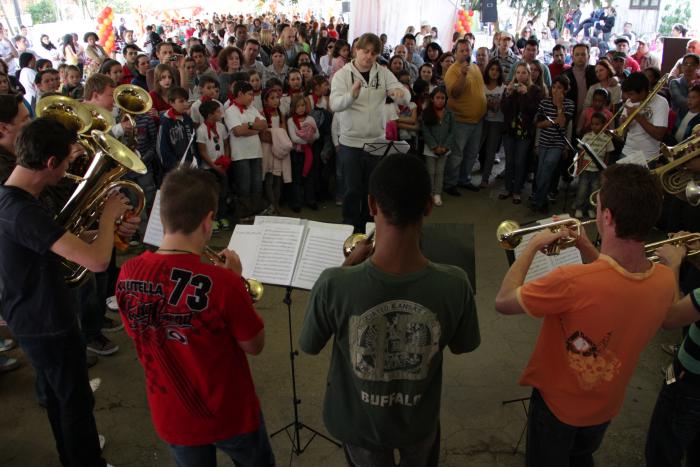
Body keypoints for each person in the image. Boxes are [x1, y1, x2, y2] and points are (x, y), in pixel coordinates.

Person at [299, 153, 480, 467]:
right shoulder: (456, 283)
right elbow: (464, 346)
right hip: (418, 421)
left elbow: (309, 345)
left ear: (371, 205)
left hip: (358, 424)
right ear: (427, 206)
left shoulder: (333, 284)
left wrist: (345, 267)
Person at [495, 163, 676, 467]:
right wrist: (582, 243)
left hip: (557, 406)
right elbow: (612, 276)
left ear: (606, 217)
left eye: (599, 204)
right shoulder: (665, 279)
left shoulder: (572, 281)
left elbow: (504, 301)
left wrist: (532, 246)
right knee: (581, 456)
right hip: (606, 404)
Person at [116, 168, 274, 467]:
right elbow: (254, 345)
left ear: (161, 217)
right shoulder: (223, 283)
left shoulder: (127, 272)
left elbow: (137, 330)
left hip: (172, 415)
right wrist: (237, 284)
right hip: (230, 414)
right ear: (207, 221)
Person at [0, 117, 131, 467]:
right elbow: (97, 262)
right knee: (75, 404)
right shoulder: (22, 210)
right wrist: (106, 220)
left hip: (34, 315)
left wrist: (106, 230)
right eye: (69, 164)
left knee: (61, 400)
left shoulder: (16, 197)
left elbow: (60, 244)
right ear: (50, 163)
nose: (70, 172)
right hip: (46, 320)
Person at [329, 32, 407, 233]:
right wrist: (351, 96)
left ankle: (369, 230)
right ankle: (350, 230)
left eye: (373, 53)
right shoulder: (342, 75)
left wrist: (401, 94)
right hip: (351, 143)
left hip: (376, 141)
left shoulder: (383, 72)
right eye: (365, 51)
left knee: (373, 191)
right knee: (352, 190)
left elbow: (401, 92)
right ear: (356, 50)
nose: (369, 56)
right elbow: (335, 104)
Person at [443, 38, 487, 195]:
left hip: (477, 120)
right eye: (461, 50)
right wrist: (462, 75)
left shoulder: (474, 67)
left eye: (467, 50)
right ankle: (450, 183)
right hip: (460, 120)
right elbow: (454, 94)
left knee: (471, 154)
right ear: (455, 52)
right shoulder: (453, 70)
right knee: (456, 154)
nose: (465, 53)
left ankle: (464, 179)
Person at [499, 63, 543, 204]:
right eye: (518, 72)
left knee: (520, 161)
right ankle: (507, 188)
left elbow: (532, 110)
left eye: (524, 72)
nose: (520, 75)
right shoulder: (510, 87)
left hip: (524, 131)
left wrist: (525, 94)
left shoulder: (535, 90)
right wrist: (508, 94)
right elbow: (504, 109)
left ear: (529, 74)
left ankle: (517, 191)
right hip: (510, 130)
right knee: (509, 161)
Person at [530, 75, 575, 213]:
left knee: (548, 168)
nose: (556, 90)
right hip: (544, 142)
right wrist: (552, 122)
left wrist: (560, 106)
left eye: (559, 88)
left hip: (557, 144)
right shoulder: (544, 103)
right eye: (554, 87)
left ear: (565, 90)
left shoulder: (569, 104)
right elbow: (539, 124)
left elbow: (563, 124)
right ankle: (541, 201)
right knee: (540, 173)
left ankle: (538, 202)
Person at [224, 80, 267, 213]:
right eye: (249, 94)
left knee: (257, 185)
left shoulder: (252, 108)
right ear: (240, 94)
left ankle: (255, 211)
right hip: (240, 155)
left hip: (256, 152)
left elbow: (264, 125)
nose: (252, 97)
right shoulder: (230, 111)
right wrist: (254, 126)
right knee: (244, 187)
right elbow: (237, 132)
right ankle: (244, 213)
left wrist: (248, 126)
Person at [619, 72, 669, 163]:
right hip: (627, 151)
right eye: (627, 94)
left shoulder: (661, 102)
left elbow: (659, 135)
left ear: (642, 91)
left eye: (631, 94)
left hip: (647, 156)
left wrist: (638, 117)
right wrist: (624, 122)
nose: (628, 97)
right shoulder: (630, 100)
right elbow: (622, 132)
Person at [574, 112, 614, 219]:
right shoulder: (587, 136)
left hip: (597, 170)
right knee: (582, 190)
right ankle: (579, 208)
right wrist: (579, 166)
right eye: (592, 124)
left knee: (594, 191)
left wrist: (604, 168)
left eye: (597, 124)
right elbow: (581, 152)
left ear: (604, 125)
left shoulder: (607, 139)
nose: (594, 126)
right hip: (586, 169)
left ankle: (591, 209)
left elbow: (607, 155)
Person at [421, 87, 455, 206]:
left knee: (440, 172)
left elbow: (452, 131)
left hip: (444, 149)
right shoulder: (426, 113)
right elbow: (425, 131)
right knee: (430, 171)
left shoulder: (450, 114)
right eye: (437, 98)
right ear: (432, 99)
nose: (440, 100)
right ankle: (429, 194)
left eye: (443, 98)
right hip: (431, 149)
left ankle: (437, 193)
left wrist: (445, 147)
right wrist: (434, 146)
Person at [157, 87, 200, 174]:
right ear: (171, 103)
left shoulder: (187, 119)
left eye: (186, 100)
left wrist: (196, 159)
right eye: (181, 101)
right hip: (176, 169)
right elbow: (163, 149)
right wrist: (175, 165)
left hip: (191, 165)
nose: (185, 104)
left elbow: (193, 142)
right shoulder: (165, 122)